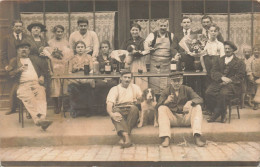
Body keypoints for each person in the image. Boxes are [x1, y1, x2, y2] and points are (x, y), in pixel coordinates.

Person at [6, 42, 52, 130]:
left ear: (29, 50)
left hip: (36, 84)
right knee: (30, 97)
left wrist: (42, 76)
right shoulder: (14, 61)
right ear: (17, 50)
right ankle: (38, 120)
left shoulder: (34, 59)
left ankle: (42, 118)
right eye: (21, 48)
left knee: (41, 93)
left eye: (26, 48)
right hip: (22, 85)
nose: (24, 50)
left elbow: (44, 71)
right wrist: (18, 70)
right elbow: (9, 75)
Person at [156, 72, 205, 147]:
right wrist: (166, 101)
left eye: (178, 81)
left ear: (182, 81)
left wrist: (190, 102)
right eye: (174, 81)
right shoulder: (166, 91)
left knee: (197, 107)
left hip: (186, 118)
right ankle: (166, 137)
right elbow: (157, 106)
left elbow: (199, 99)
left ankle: (197, 136)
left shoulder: (187, 89)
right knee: (162, 108)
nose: (176, 83)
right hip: (173, 118)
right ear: (171, 81)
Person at [206, 41, 246, 123]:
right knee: (208, 92)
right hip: (220, 82)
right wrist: (221, 77)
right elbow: (213, 72)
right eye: (225, 48)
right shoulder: (219, 60)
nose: (227, 50)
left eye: (229, 49)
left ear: (233, 50)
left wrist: (230, 80)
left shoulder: (239, 62)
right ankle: (220, 112)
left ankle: (219, 115)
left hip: (233, 85)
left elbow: (240, 76)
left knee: (223, 94)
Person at [1, 20, 31, 115]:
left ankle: (28, 110)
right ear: (13, 27)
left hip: (25, 64)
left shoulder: (27, 37)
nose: (18, 28)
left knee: (26, 87)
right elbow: (3, 53)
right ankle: (12, 108)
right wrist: (6, 65)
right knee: (14, 88)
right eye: (16, 26)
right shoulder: (7, 38)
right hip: (12, 66)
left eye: (20, 26)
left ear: (22, 27)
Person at [106, 69, 142, 148]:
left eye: (129, 78)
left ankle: (123, 136)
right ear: (121, 78)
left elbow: (141, 100)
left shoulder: (135, 87)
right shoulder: (114, 89)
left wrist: (140, 99)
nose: (127, 79)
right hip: (120, 109)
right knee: (115, 111)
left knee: (134, 109)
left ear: (131, 79)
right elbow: (109, 105)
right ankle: (127, 137)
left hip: (131, 111)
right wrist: (111, 114)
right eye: (125, 77)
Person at [43, 25, 72, 114]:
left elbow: (70, 54)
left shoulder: (66, 42)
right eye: (57, 32)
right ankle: (56, 106)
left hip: (64, 66)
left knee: (64, 85)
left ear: (63, 32)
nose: (59, 33)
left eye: (61, 31)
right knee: (55, 86)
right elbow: (48, 54)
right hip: (54, 65)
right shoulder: (50, 42)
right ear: (54, 32)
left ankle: (63, 105)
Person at [144, 19, 175, 95]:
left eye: (165, 26)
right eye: (161, 26)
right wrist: (148, 49)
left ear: (167, 26)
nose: (163, 27)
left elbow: (174, 47)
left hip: (167, 63)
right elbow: (146, 43)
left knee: (167, 83)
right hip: (155, 62)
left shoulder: (171, 35)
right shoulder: (152, 35)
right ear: (158, 26)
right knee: (155, 82)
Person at [67, 40, 94, 118]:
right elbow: (69, 71)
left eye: (82, 47)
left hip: (86, 77)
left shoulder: (89, 57)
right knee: (72, 87)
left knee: (87, 86)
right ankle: (74, 110)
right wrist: (75, 78)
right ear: (75, 49)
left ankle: (87, 110)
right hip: (75, 78)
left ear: (85, 48)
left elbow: (92, 70)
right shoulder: (72, 58)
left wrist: (86, 78)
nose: (80, 49)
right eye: (78, 47)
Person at [121, 23, 148, 91]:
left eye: (136, 30)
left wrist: (135, 53)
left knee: (139, 82)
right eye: (133, 30)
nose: (134, 32)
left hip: (139, 63)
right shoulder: (127, 41)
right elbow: (122, 51)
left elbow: (143, 52)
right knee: (129, 81)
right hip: (129, 64)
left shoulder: (142, 41)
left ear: (139, 31)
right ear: (130, 31)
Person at [95, 40, 118, 115]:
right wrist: (103, 78)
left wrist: (111, 77)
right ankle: (102, 110)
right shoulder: (97, 58)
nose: (104, 49)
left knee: (113, 85)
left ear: (109, 48)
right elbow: (96, 70)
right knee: (100, 85)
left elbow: (115, 69)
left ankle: (112, 108)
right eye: (102, 47)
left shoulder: (113, 58)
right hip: (101, 78)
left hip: (111, 78)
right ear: (100, 49)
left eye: (106, 47)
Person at [249, 44, 260, 110]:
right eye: (255, 50)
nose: (257, 51)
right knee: (255, 91)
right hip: (254, 76)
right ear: (253, 51)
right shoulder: (251, 59)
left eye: (258, 50)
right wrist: (251, 75)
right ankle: (256, 104)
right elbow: (248, 69)